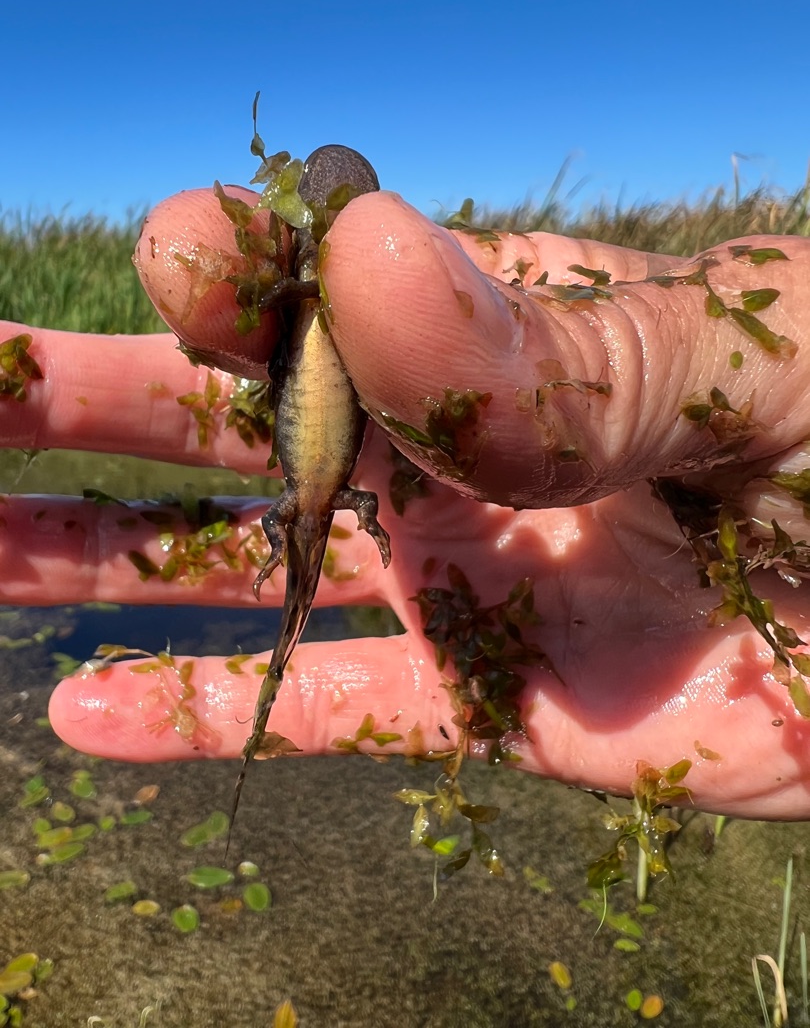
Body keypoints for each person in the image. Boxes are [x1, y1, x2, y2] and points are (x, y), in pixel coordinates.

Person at [3, 187, 810, 820]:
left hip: (320, 480)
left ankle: (277, 647)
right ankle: (276, 635)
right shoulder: (304, 309)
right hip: (317, 482)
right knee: (304, 531)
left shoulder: (327, 295)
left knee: (313, 526)